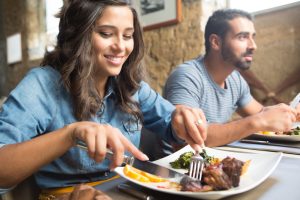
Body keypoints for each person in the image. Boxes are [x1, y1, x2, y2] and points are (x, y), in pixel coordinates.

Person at [0, 0, 207, 198]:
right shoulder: (42, 84)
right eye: (106, 34)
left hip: (132, 190)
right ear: (77, 35)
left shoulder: (130, 86)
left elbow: (171, 125)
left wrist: (182, 122)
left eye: (127, 36)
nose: (120, 46)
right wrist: (71, 134)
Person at [163, 8, 299, 149]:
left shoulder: (235, 79)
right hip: (172, 165)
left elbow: (263, 115)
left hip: (212, 160)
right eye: (242, 37)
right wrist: (258, 121)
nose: (253, 46)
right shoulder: (187, 76)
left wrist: (291, 112)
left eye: (253, 37)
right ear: (216, 42)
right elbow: (193, 134)